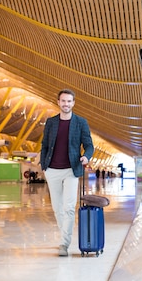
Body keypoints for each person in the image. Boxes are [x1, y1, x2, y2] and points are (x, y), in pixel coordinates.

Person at [40, 89, 94, 256]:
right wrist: (44, 166)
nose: (66, 104)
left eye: (69, 101)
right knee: (57, 208)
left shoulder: (80, 122)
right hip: (52, 170)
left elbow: (89, 145)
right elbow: (45, 145)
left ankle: (64, 243)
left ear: (73, 103)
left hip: (71, 170)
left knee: (69, 208)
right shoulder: (51, 122)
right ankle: (65, 236)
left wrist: (86, 156)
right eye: (63, 101)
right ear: (58, 102)